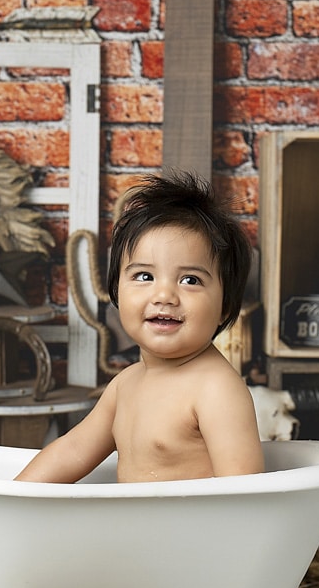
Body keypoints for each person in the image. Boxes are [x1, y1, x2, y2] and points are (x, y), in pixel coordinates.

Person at [16, 171, 265, 483]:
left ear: (225, 307)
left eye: (190, 280)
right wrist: (14, 498)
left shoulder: (216, 389)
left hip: (192, 532)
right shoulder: (125, 384)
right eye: (144, 276)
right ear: (117, 292)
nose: (164, 295)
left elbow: (246, 490)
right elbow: (74, 450)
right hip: (132, 530)